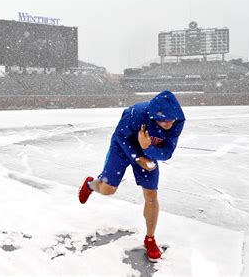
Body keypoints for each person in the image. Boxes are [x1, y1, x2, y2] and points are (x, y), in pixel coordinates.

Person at [78, 90, 185, 262]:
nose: (167, 123)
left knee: (151, 194)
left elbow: (167, 153)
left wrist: (147, 149)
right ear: (153, 116)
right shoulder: (137, 113)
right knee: (107, 191)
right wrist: (137, 157)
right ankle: (91, 184)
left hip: (147, 151)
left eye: (171, 119)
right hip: (122, 149)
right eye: (163, 119)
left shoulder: (177, 122)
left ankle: (150, 239)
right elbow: (120, 136)